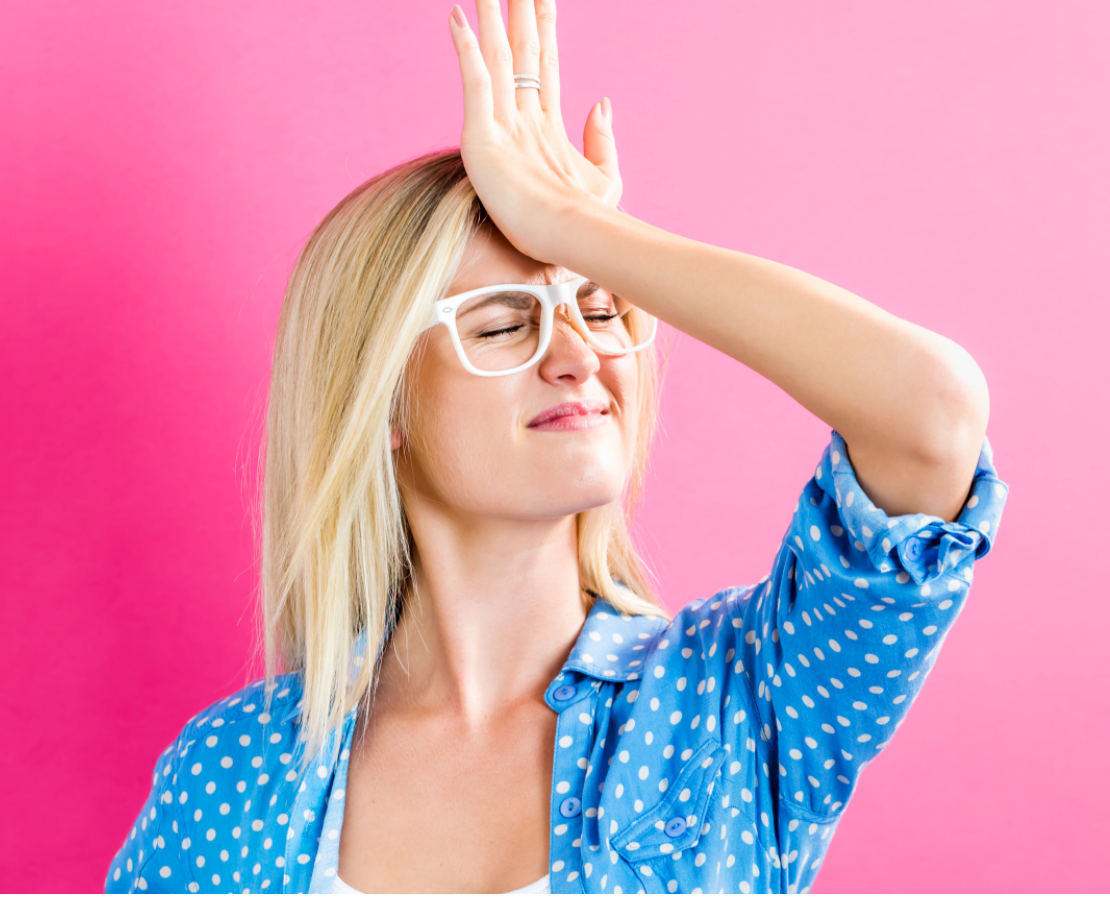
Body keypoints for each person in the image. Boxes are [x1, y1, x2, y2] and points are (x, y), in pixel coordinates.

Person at [105, 0, 1007, 893]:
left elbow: (930, 411)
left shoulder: (738, 701)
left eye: (600, 309)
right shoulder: (230, 774)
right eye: (503, 327)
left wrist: (580, 230)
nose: (578, 356)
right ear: (379, 404)